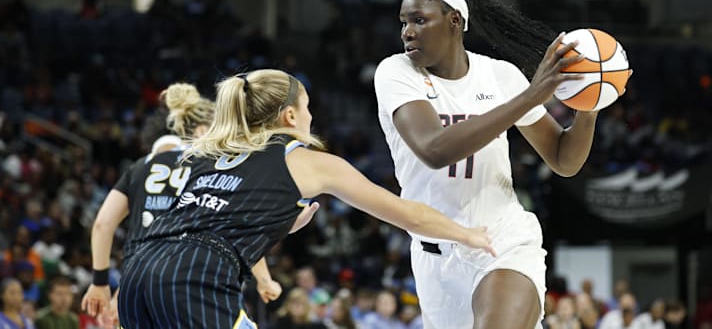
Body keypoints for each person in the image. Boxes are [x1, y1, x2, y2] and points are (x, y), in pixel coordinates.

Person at [117, 69, 495, 328]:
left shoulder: (212, 151)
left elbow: (212, 217)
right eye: (309, 107)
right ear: (290, 115)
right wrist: (469, 235)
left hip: (138, 268)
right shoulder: (308, 162)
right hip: (195, 275)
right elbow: (408, 215)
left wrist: (278, 224)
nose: (312, 116)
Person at [373, 0, 626, 329]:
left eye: (420, 20)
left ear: (454, 21)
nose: (407, 31)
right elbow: (434, 149)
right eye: (404, 22)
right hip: (436, 260)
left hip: (503, 241)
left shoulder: (500, 76)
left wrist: (589, 105)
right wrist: (530, 96)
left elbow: (563, 159)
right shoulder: (396, 73)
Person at [80, 83, 306, 323]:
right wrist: (264, 280)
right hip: (195, 279)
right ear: (201, 131)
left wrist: (100, 283)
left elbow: (103, 224)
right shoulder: (212, 167)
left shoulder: (139, 168)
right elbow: (235, 226)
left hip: (137, 283)